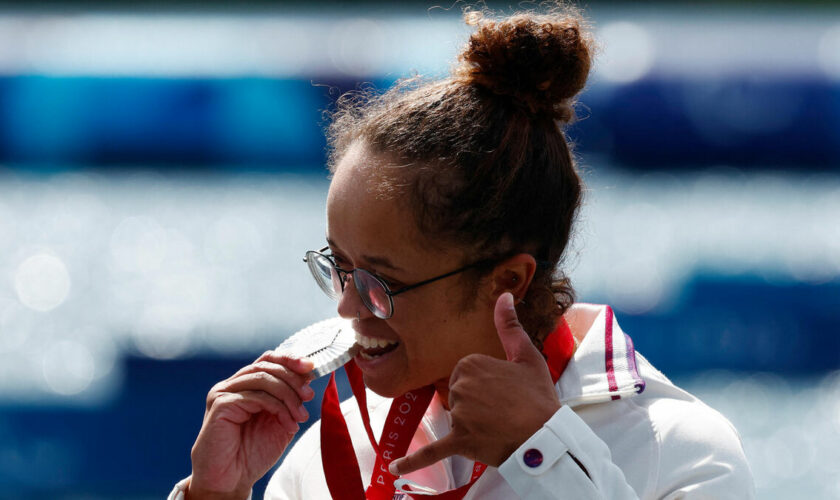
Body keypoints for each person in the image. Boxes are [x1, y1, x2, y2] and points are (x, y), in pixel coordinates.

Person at [170, 4, 754, 499]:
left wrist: (544, 457)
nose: (347, 309)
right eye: (339, 268)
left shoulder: (682, 451)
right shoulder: (329, 456)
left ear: (509, 282)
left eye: (380, 283)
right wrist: (214, 493)